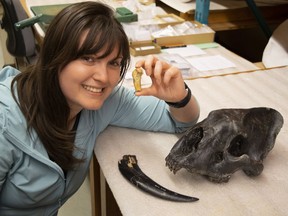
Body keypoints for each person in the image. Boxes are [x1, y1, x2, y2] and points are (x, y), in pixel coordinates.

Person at [0, 1, 199, 215]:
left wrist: (179, 97)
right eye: (88, 58)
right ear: (54, 56)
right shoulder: (5, 122)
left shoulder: (105, 101)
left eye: (113, 63)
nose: (103, 77)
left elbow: (180, 122)